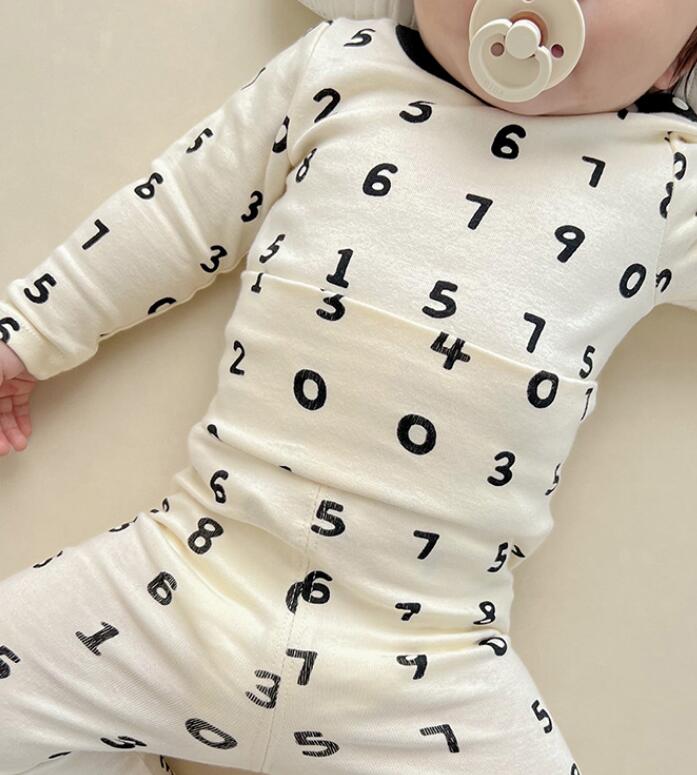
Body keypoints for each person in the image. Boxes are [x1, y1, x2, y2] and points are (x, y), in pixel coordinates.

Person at [1, 1, 697, 772]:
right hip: (185, 577)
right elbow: (179, 215)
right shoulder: (343, 67)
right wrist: (26, 332)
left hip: (433, 661)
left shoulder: (667, 175)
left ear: (680, 56)